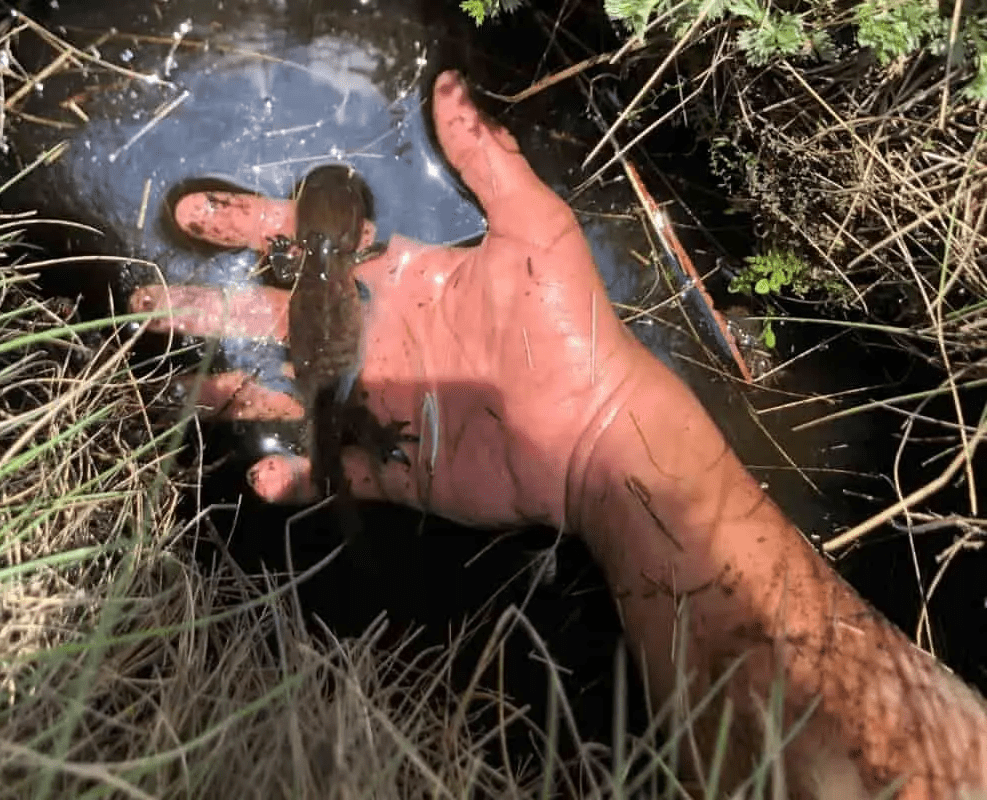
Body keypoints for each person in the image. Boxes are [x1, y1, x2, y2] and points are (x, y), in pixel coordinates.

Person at [129, 70, 987, 799]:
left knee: (326, 447)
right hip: (356, 390)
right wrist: (599, 438)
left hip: (347, 388)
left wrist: (599, 429)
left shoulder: (328, 262)